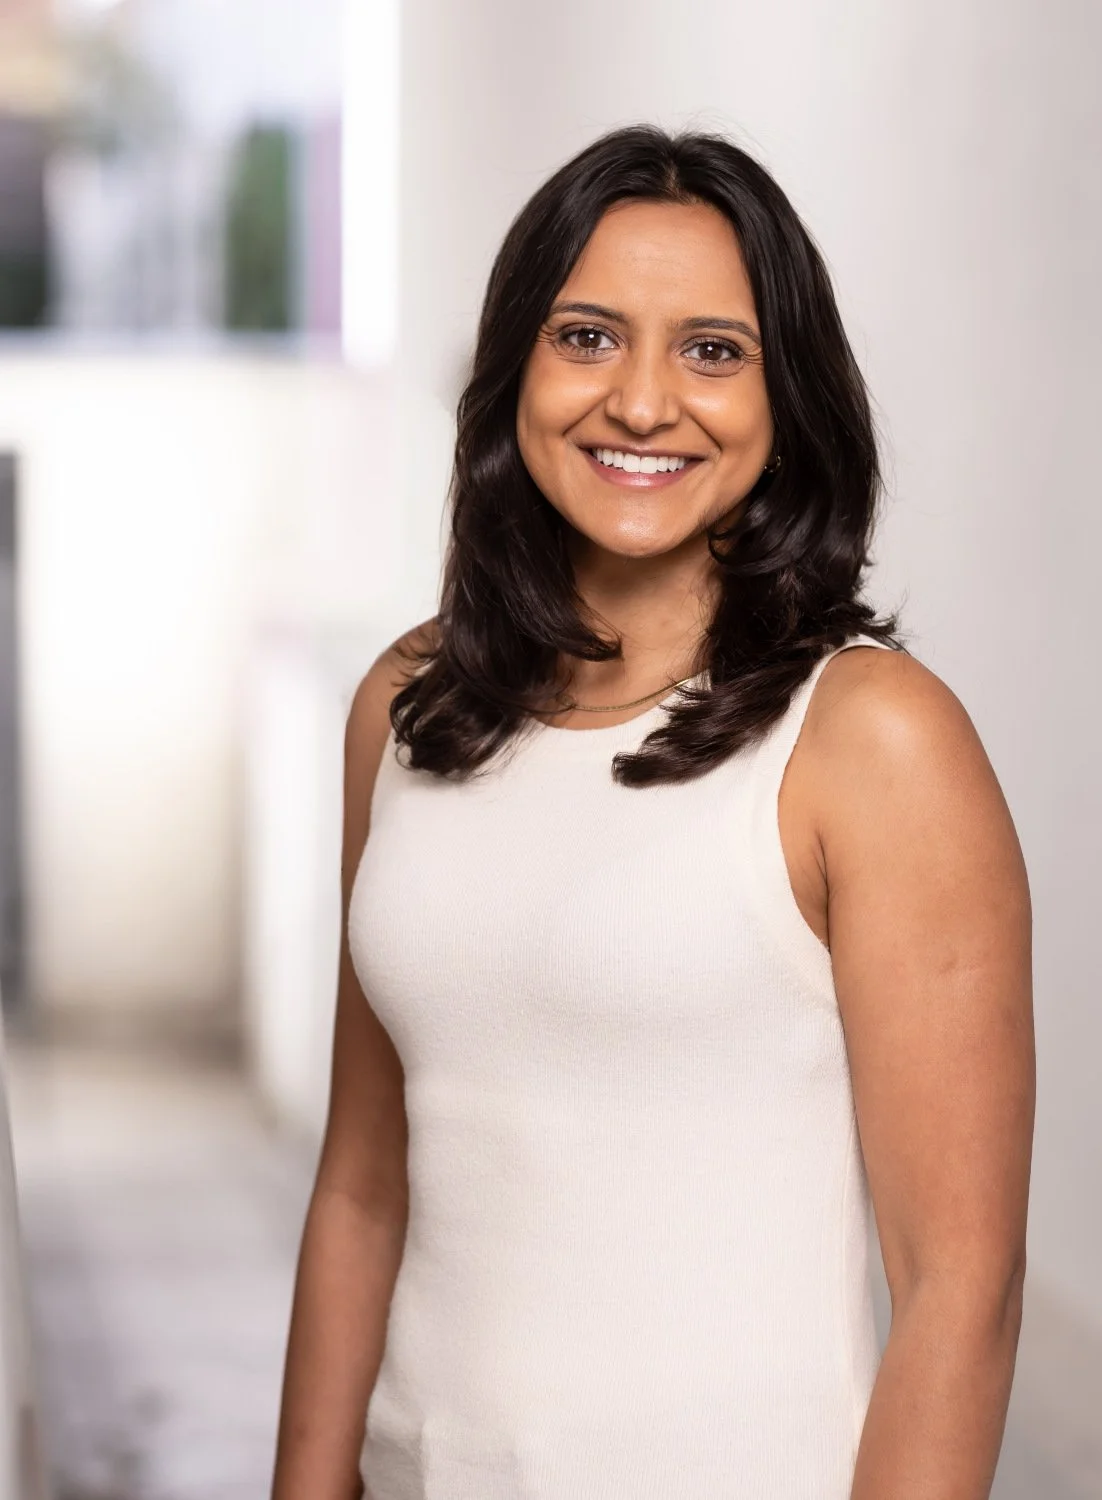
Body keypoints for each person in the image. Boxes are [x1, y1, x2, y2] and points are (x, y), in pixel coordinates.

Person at [270, 125, 1035, 1500]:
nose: (639, 402)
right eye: (586, 337)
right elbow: (359, 1188)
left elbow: (956, 1285)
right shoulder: (405, 706)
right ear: (515, 370)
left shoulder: (870, 740)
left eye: (711, 350)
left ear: (784, 395)